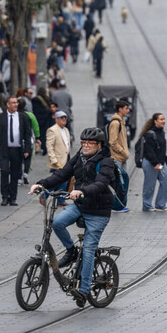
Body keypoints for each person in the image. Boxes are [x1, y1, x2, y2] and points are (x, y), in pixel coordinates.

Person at [29, 127, 116, 308]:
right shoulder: (80, 157)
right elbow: (62, 173)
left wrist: (82, 191)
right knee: (57, 222)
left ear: (99, 145)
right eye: (83, 142)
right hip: (81, 205)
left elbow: (101, 183)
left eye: (89, 143)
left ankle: (83, 291)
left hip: (99, 211)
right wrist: (41, 184)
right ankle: (71, 250)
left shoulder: (106, 162)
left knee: (89, 250)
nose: (85, 146)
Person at [0, 97, 32, 206]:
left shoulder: (23, 117)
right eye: (13, 103)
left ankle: (13, 197)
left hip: (17, 150)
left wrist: (27, 149)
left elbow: (28, 134)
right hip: (4, 150)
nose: (16, 104)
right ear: (7, 104)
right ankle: (5, 197)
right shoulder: (0, 117)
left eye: (16, 103)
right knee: (5, 172)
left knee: (15, 174)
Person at [139, 113, 167, 212]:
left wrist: (164, 160)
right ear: (155, 121)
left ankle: (160, 204)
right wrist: (155, 163)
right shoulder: (150, 134)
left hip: (161, 163)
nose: (163, 121)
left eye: (164, 119)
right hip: (150, 163)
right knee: (150, 185)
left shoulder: (162, 132)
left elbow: (161, 149)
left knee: (166, 181)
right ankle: (147, 205)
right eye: (161, 119)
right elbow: (149, 151)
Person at [108, 99, 131, 164]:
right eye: (126, 109)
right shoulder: (116, 123)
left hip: (122, 158)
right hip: (117, 158)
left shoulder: (122, 122)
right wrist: (123, 152)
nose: (128, 110)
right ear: (120, 109)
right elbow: (112, 142)